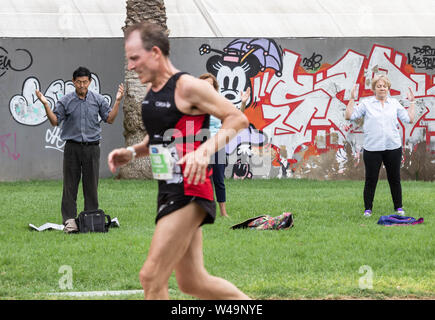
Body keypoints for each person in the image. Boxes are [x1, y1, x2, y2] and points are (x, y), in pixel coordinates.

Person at [107, 22, 250, 300]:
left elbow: (237, 119)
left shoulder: (187, 87)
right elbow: (160, 139)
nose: (131, 65)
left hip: (190, 190)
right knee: (193, 282)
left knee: (151, 276)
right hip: (168, 189)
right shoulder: (152, 94)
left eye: (135, 57)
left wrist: (205, 150)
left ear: (156, 53)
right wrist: (133, 152)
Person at [35, 66, 124, 232]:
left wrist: (118, 100)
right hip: (72, 148)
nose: (82, 85)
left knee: (91, 185)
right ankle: (69, 221)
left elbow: (110, 119)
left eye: (85, 82)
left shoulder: (97, 99)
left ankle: (90, 218)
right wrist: (46, 104)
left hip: (92, 148)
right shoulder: (66, 100)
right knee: (70, 186)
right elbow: (55, 121)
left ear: (90, 82)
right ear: (73, 82)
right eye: (79, 82)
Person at [345, 74, 415, 217]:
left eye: (384, 86)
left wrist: (412, 102)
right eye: (379, 86)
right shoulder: (366, 103)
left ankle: (399, 207)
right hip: (372, 148)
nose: (382, 88)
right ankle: (368, 209)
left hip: (393, 147)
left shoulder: (394, 103)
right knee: (371, 179)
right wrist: (352, 98)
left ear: (388, 88)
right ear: (374, 89)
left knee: (394, 178)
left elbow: (409, 119)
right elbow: (349, 116)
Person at [199, 73, 250, 217]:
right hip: (200, 144)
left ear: (214, 87)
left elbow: (237, 118)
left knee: (218, 179)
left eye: (210, 85)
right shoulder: (195, 104)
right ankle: (203, 210)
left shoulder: (220, 103)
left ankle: (223, 212)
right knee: (202, 180)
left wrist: (243, 102)